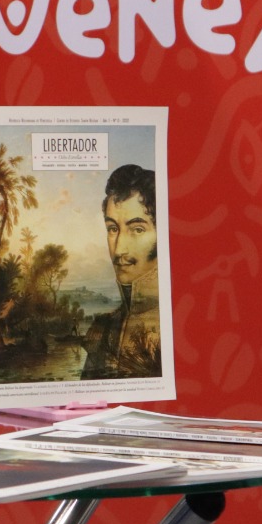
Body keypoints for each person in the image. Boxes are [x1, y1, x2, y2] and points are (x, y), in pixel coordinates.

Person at [80, 163, 163, 380]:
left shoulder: (178, 319)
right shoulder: (104, 329)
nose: (119, 250)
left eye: (137, 229)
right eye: (113, 229)